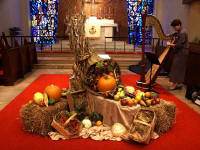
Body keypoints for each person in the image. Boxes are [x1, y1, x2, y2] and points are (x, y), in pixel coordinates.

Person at [167, 19, 189, 90]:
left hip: (182, 53)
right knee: (180, 69)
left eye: (175, 27)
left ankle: (174, 84)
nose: (174, 28)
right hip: (181, 53)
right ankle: (179, 83)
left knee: (176, 68)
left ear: (179, 25)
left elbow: (179, 44)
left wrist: (171, 44)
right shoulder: (181, 31)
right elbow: (177, 36)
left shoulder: (182, 32)